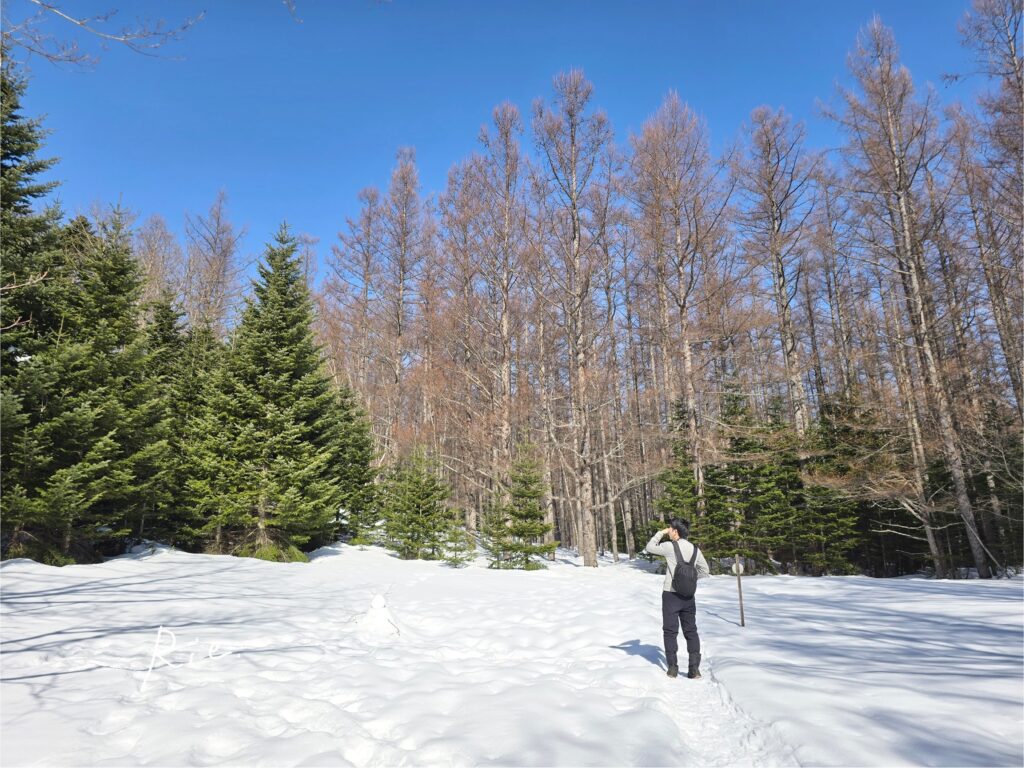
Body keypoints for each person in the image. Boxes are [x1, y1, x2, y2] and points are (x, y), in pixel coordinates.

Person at [645, 518, 709, 679]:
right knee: (691, 631)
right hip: (688, 596)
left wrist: (661, 533)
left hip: (671, 595)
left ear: (675, 531)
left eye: (670, 529)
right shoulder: (695, 549)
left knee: (670, 631)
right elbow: (705, 570)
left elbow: (650, 547)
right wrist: (690, 580)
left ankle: (672, 668)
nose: (669, 531)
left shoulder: (669, 547)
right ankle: (694, 669)